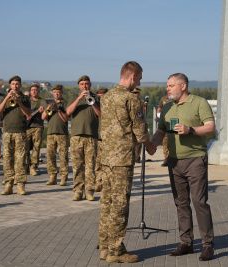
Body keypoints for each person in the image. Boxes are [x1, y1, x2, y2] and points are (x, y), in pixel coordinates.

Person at [151, 73, 215, 261]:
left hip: (195, 160)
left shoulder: (199, 102)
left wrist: (191, 130)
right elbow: (161, 131)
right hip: (174, 161)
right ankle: (186, 242)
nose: (167, 89)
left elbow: (211, 127)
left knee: (199, 202)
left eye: (171, 86)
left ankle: (207, 244)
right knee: (181, 203)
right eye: (167, 86)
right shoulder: (168, 107)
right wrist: (151, 145)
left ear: (183, 86)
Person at [98, 61, 156, 263]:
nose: (138, 82)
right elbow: (140, 130)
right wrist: (149, 146)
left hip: (106, 158)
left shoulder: (106, 98)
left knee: (107, 202)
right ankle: (116, 250)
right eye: (139, 78)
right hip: (122, 159)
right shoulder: (131, 100)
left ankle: (105, 245)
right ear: (132, 76)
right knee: (120, 204)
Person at [66, 75, 101, 201]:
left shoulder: (96, 98)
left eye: (86, 84)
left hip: (91, 137)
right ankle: (78, 191)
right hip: (76, 137)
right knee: (77, 166)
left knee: (90, 166)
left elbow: (100, 114)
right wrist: (79, 98)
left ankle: (89, 191)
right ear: (79, 86)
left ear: (90, 84)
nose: (84, 86)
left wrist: (92, 102)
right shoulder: (73, 98)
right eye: (82, 84)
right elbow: (68, 112)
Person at [0, 75, 31, 195]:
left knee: (20, 160)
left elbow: (28, 114)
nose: (15, 86)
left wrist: (18, 101)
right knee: (7, 160)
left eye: (17, 84)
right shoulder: (3, 98)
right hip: (7, 132)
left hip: (20, 132)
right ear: (10, 86)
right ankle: (8, 185)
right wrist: (6, 99)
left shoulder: (25, 99)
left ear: (20, 86)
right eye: (13, 84)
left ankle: (20, 185)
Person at [41, 84, 69, 186]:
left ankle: (63, 177)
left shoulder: (65, 103)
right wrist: (48, 107)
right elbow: (43, 117)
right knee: (50, 156)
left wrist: (57, 109)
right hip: (50, 133)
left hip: (62, 133)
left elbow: (66, 118)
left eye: (58, 92)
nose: (56, 94)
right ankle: (52, 176)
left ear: (62, 93)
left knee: (63, 156)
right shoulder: (50, 103)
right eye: (54, 92)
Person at [26, 84, 47, 176]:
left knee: (36, 147)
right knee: (25, 147)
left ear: (39, 91)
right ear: (30, 91)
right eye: (32, 90)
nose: (34, 91)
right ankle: (25, 164)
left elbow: (45, 115)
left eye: (36, 90)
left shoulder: (42, 101)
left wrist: (43, 111)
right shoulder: (27, 101)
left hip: (38, 126)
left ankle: (33, 166)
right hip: (27, 127)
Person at [94, 87, 108, 192]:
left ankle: (106, 183)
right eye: (99, 98)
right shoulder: (94, 106)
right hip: (97, 137)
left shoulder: (110, 107)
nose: (101, 100)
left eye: (103, 97)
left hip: (108, 139)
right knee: (97, 162)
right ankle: (98, 182)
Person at [157, 94, 173, 166]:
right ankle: (166, 158)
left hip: (175, 122)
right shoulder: (163, 98)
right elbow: (160, 107)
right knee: (165, 140)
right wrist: (158, 114)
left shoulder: (178, 97)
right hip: (166, 122)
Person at [130, 87, 143, 163]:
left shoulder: (141, 102)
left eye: (136, 93)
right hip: (130, 125)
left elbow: (141, 114)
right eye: (133, 93)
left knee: (138, 143)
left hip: (138, 124)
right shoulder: (129, 101)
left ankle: (137, 157)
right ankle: (132, 157)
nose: (135, 95)